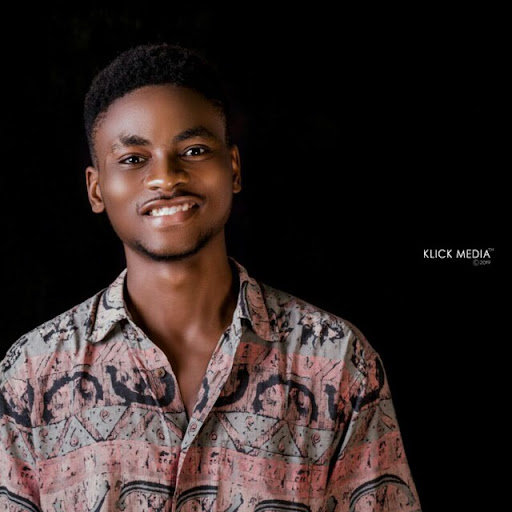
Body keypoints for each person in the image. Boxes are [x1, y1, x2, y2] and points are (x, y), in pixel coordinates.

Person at [0, 43, 421, 511]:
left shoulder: (338, 362)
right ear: (96, 190)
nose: (166, 178)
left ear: (233, 169)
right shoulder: (31, 374)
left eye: (194, 150)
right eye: (134, 159)